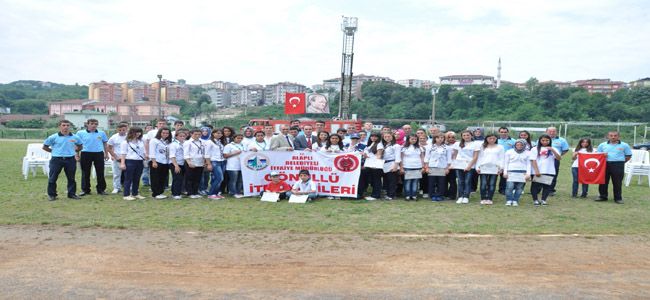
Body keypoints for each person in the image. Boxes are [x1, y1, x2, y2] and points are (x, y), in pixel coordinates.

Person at [43, 120, 83, 201]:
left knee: (71, 178)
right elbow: (45, 147)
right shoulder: (53, 137)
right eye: (64, 125)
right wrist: (53, 152)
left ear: (70, 127)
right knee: (53, 178)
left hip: (70, 159)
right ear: (60, 126)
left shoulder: (75, 137)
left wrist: (75, 151)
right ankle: (52, 195)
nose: (66, 127)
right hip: (56, 160)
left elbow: (80, 146)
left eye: (68, 125)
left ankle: (71, 194)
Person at [596, 131, 632, 204]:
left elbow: (628, 156)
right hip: (604, 164)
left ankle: (618, 198)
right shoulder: (602, 145)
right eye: (611, 135)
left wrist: (620, 162)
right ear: (608, 136)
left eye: (615, 135)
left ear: (618, 136)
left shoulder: (624, 145)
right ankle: (602, 196)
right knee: (603, 181)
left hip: (618, 165)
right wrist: (603, 155)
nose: (613, 137)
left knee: (617, 182)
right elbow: (598, 155)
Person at [76, 119, 109, 196]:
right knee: (85, 173)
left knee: (100, 172)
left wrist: (106, 154)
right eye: (92, 123)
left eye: (96, 124)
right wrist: (76, 154)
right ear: (87, 124)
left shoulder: (101, 133)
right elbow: (77, 144)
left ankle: (101, 189)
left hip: (99, 154)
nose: (94, 125)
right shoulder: (80, 133)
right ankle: (85, 190)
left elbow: (105, 144)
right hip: (85, 153)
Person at [529, 134, 562, 206]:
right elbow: (533, 160)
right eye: (543, 140)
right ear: (540, 141)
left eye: (547, 140)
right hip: (538, 171)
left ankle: (543, 200)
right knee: (535, 186)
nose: (545, 142)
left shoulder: (553, 148)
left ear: (550, 141)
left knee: (546, 186)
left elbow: (559, 158)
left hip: (549, 170)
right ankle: (535, 200)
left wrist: (553, 150)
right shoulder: (534, 149)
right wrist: (536, 171)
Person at [476, 134, 505, 205]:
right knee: (483, 184)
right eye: (490, 138)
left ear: (496, 139)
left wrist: (501, 168)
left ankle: (489, 198)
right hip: (483, 167)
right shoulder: (483, 146)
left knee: (492, 184)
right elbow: (479, 157)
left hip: (494, 168)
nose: (492, 140)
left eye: (493, 138)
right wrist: (477, 167)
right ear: (486, 139)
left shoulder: (500, 147)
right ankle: (483, 198)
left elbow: (502, 158)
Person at [452, 130, 480, 204]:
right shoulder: (457, 144)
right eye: (464, 135)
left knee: (467, 181)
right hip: (459, 165)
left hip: (469, 166)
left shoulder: (475, 144)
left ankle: (466, 196)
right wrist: (455, 163)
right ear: (462, 136)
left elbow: (475, 157)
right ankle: (460, 196)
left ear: (471, 135)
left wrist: (469, 166)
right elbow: (454, 154)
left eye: (468, 135)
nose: (466, 137)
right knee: (460, 181)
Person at [119, 127, 147, 201]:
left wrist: (146, 156)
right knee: (128, 179)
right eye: (136, 132)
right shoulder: (126, 142)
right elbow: (123, 153)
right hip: (130, 161)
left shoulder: (140, 141)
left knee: (137, 178)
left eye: (140, 132)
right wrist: (122, 163)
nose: (138, 134)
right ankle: (126, 194)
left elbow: (143, 152)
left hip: (139, 162)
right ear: (131, 132)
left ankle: (135, 193)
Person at [183, 128, 212, 199]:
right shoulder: (188, 142)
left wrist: (205, 161)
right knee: (190, 178)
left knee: (197, 178)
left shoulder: (203, 142)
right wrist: (189, 162)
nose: (197, 136)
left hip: (200, 163)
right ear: (191, 134)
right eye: (195, 134)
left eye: (199, 134)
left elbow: (205, 152)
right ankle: (190, 193)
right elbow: (186, 154)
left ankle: (195, 192)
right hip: (191, 162)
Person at [424, 133, 452, 202]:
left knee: (441, 182)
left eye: (442, 138)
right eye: (438, 138)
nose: (440, 139)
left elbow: (449, 159)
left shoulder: (447, 148)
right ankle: (433, 195)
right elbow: (427, 158)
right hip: (432, 166)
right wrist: (426, 167)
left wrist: (447, 168)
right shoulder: (429, 147)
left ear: (444, 139)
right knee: (432, 182)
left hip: (442, 167)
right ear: (435, 139)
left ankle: (440, 195)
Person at [503, 139, 531, 206]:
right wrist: (505, 172)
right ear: (515, 145)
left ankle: (515, 200)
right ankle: (509, 200)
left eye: (521, 145)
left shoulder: (528, 153)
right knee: (509, 187)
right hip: (511, 172)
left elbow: (529, 164)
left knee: (519, 188)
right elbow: (506, 163)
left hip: (522, 172)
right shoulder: (509, 152)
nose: (519, 146)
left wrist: (528, 173)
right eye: (517, 144)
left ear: (524, 145)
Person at [359, 133, 384, 200]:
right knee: (372, 180)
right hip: (369, 164)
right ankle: (373, 194)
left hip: (375, 166)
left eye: (376, 136)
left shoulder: (379, 144)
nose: (373, 137)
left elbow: (379, 156)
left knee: (376, 180)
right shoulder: (370, 144)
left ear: (379, 137)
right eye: (372, 136)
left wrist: (368, 157)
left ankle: (376, 195)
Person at [149, 127, 172, 199]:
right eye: (163, 133)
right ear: (160, 133)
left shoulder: (168, 142)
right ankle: (155, 193)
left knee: (163, 178)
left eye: (167, 133)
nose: (165, 134)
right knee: (155, 178)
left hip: (165, 162)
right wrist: (154, 161)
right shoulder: (154, 140)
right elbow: (152, 152)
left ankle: (160, 192)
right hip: (156, 162)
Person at [546, 126, 569, 195]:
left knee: (553, 174)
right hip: (543, 160)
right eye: (550, 131)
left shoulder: (562, 140)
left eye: (554, 131)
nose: (552, 133)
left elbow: (565, 149)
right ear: (546, 132)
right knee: (542, 173)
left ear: (556, 132)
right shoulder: (542, 139)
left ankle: (550, 190)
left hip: (555, 160)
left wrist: (558, 156)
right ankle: (538, 189)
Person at [401, 135, 425, 201]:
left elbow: (422, 157)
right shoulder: (404, 147)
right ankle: (407, 195)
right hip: (407, 166)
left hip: (417, 166)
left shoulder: (420, 147)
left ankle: (414, 195)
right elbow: (402, 158)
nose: (414, 140)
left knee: (415, 181)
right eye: (412, 139)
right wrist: (401, 167)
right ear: (408, 139)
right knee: (408, 181)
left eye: (415, 139)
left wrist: (423, 166)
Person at [144, 120, 167, 186]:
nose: (162, 125)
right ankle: (153, 186)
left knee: (164, 172)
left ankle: (164, 186)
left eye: (163, 124)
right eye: (160, 123)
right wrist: (147, 153)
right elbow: (147, 143)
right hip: (154, 155)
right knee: (154, 172)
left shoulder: (167, 132)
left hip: (164, 156)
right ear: (157, 124)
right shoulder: (151, 132)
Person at [107, 123, 128, 194]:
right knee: (116, 174)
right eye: (120, 130)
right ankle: (116, 188)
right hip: (117, 158)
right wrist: (115, 156)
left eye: (123, 130)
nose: (122, 131)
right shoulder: (114, 137)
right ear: (117, 130)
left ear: (126, 129)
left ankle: (128, 187)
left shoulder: (129, 136)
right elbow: (109, 147)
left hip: (128, 158)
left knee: (128, 174)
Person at [224, 134, 246, 198]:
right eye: (238, 138)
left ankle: (238, 192)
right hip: (232, 166)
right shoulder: (229, 145)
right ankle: (233, 192)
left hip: (241, 166)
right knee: (233, 180)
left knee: (240, 180)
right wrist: (234, 153)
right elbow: (225, 155)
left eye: (241, 138)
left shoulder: (243, 145)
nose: (239, 139)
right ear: (234, 138)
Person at [207, 129, 226, 200]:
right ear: (213, 134)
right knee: (219, 178)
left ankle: (216, 193)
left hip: (222, 161)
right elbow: (207, 154)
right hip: (214, 161)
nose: (219, 135)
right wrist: (208, 164)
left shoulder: (220, 142)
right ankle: (211, 193)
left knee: (218, 178)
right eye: (217, 133)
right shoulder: (209, 142)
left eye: (221, 133)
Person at [168, 130, 187, 200]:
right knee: (177, 179)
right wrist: (176, 165)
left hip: (182, 163)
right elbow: (172, 156)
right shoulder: (173, 144)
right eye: (180, 136)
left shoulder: (184, 143)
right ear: (176, 137)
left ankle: (177, 192)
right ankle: (175, 194)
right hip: (175, 163)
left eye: (184, 136)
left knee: (180, 179)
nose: (182, 137)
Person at [381, 132, 400, 200]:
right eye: (385, 137)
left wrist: (395, 166)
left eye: (389, 136)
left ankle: (391, 195)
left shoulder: (396, 145)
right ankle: (388, 194)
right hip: (385, 164)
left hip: (392, 164)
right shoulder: (385, 145)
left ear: (392, 137)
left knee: (392, 181)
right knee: (387, 181)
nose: (387, 138)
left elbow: (398, 157)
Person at [497, 127, 515, 194]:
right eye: (501, 132)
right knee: (493, 175)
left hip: (507, 161)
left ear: (508, 132)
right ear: (499, 132)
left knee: (504, 176)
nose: (503, 133)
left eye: (505, 132)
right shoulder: (495, 140)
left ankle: (502, 189)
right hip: (496, 160)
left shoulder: (513, 141)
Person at [444, 131, 458, 200]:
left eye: (453, 137)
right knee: (444, 180)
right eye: (449, 137)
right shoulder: (443, 145)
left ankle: (452, 195)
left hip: (453, 165)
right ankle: (445, 193)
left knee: (452, 181)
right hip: (443, 165)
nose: (451, 139)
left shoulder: (458, 145)